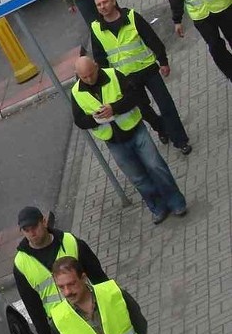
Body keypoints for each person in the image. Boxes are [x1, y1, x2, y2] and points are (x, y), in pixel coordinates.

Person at [70, 57, 187, 224]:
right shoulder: (76, 92)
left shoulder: (113, 75)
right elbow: (79, 121)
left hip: (135, 130)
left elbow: (134, 96)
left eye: (91, 74)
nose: (89, 79)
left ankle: (176, 203)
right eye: (84, 77)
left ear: (96, 66)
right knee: (138, 178)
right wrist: (95, 119)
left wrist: (114, 108)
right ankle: (158, 208)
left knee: (156, 166)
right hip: (114, 142)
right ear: (77, 75)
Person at [90, 0, 191, 153]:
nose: (102, 7)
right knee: (144, 111)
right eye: (99, 4)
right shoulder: (96, 29)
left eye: (105, 2)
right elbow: (100, 58)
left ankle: (180, 141)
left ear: (113, 1)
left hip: (148, 70)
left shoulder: (131, 17)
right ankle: (161, 129)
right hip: (126, 79)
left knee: (166, 105)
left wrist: (163, 61)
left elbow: (151, 38)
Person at [12, 206, 107, 334]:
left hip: (91, 311)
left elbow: (97, 275)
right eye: (26, 230)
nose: (32, 233)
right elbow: (32, 304)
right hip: (63, 325)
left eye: (34, 227)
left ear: (44, 222)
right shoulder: (21, 264)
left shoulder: (70, 242)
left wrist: (108, 301)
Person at [49, 257, 153, 334]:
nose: (67, 292)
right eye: (61, 287)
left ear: (83, 278)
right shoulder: (58, 320)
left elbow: (139, 323)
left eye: (71, 284)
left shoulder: (113, 293)